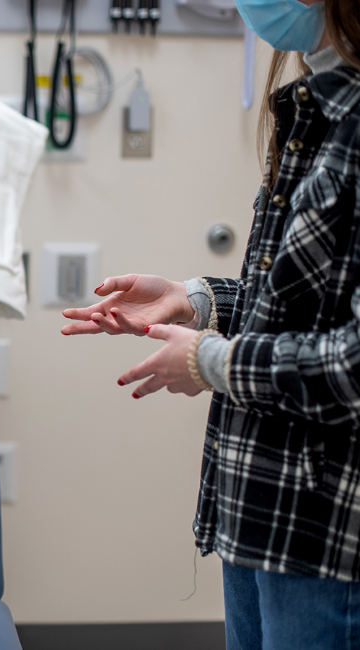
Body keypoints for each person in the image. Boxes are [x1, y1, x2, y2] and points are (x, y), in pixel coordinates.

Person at [63, 2, 360, 648]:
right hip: (264, 511)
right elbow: (312, 295)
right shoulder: (318, 104)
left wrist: (211, 362)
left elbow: (351, 363)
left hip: (328, 531)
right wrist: (197, 300)